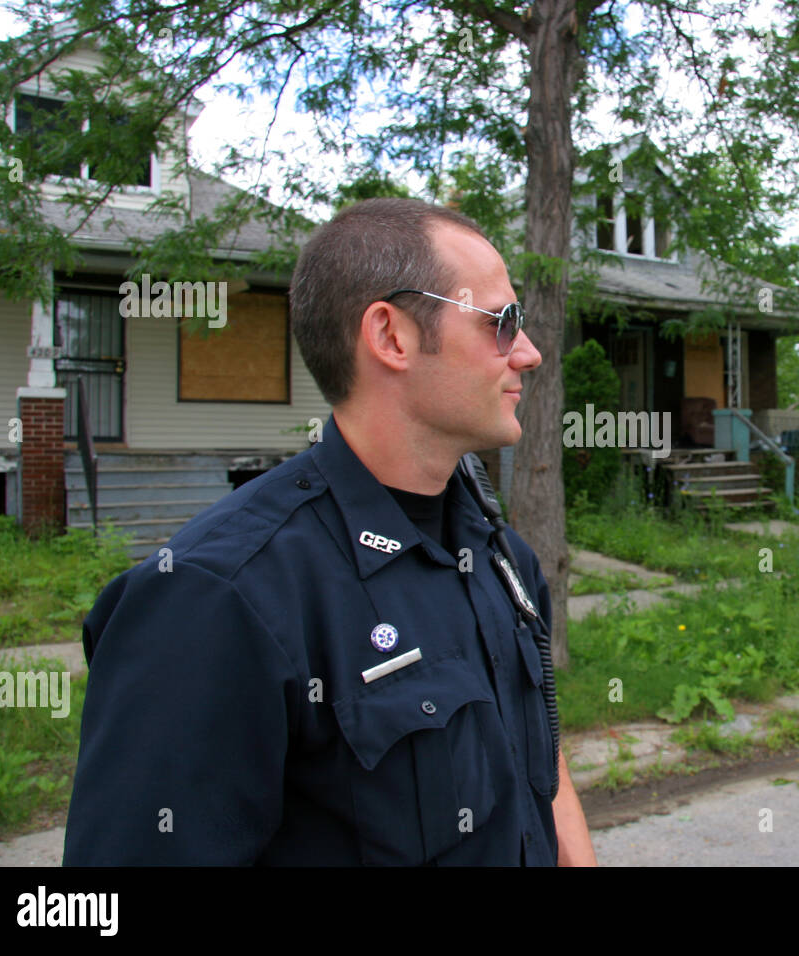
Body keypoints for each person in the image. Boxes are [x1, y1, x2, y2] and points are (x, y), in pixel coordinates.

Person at [63, 197, 597, 866]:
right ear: (392, 336)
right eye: (502, 321)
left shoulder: (501, 555)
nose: (530, 353)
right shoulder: (217, 598)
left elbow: (541, 767)